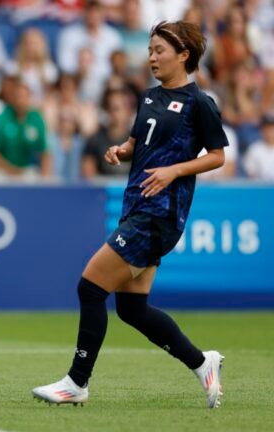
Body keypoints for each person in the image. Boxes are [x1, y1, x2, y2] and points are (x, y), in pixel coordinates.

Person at [32, 21, 227, 408]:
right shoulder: (150, 96)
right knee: (132, 309)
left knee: (90, 287)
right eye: (150, 50)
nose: (152, 57)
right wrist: (122, 149)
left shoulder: (199, 103)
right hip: (136, 206)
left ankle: (77, 382)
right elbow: (140, 140)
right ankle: (202, 361)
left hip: (160, 214)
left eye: (160, 50)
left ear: (183, 55)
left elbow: (219, 156)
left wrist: (175, 170)